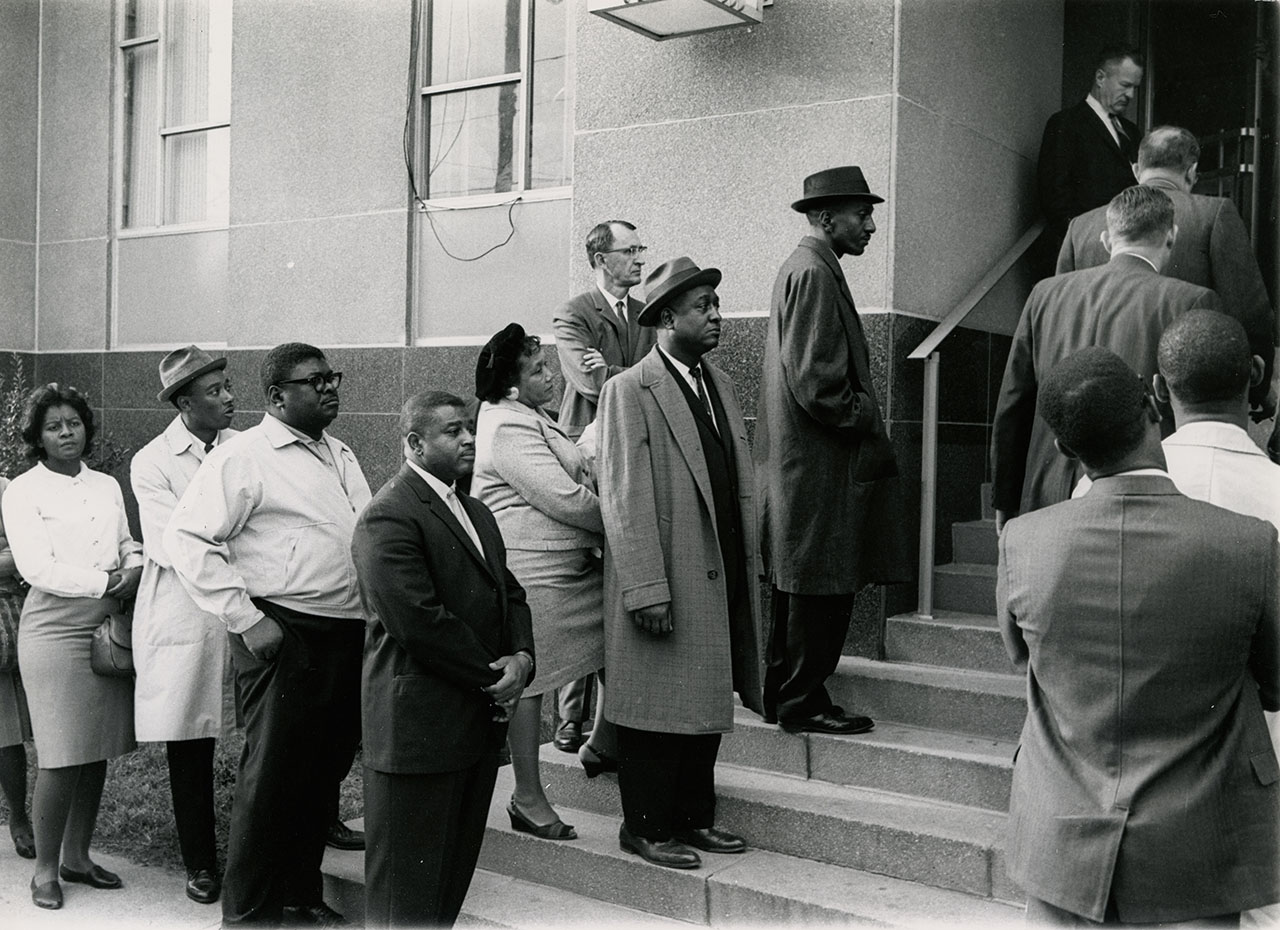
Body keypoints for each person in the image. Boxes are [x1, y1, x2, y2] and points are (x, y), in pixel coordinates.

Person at [998, 347, 1279, 925]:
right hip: (1198, 851)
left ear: (1064, 449)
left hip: (1061, 849)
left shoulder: (1024, 542)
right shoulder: (1249, 544)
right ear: (1155, 405)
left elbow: (1021, 655)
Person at [165, 343, 371, 927]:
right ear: (277, 396)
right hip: (283, 631)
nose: (330, 388)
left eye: (332, 377)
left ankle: (299, 897)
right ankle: (249, 913)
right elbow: (189, 539)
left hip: (344, 630)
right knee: (273, 777)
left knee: (319, 776)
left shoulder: (339, 452)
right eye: (314, 381)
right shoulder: (246, 456)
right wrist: (246, 618)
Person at [597, 256, 764, 870]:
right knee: (652, 710)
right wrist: (645, 588)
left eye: (715, 306)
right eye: (703, 308)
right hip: (666, 576)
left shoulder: (717, 381)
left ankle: (695, 819)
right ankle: (643, 827)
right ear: (667, 319)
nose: (717, 316)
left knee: (704, 697)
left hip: (718, 568)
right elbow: (622, 497)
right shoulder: (627, 390)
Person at [352, 390, 535, 928]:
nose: (469, 439)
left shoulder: (475, 509)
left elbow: (512, 593)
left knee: (447, 887)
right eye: (453, 431)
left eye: (469, 428)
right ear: (415, 443)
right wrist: (495, 678)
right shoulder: (387, 516)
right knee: (403, 899)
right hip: (418, 733)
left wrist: (522, 658)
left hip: (471, 728)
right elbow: (418, 622)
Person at [754, 166, 910, 735]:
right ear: (826, 218)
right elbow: (818, 385)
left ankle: (785, 697)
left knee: (802, 585)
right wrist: (866, 414)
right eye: (861, 215)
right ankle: (803, 704)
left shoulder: (805, 267)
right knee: (820, 585)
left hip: (804, 468)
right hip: (819, 468)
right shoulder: (815, 273)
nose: (870, 226)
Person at [991, 185, 1220, 528]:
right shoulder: (1190, 301)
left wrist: (1005, 498)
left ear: (1106, 240)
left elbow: (1014, 401)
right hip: (1138, 500)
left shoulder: (1043, 295)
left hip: (1045, 494)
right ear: (1171, 236)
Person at [2, 383, 143, 910]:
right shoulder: (23, 490)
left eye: (74, 422)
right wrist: (108, 582)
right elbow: (36, 567)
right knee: (61, 755)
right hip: (54, 627)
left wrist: (132, 567)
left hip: (106, 625)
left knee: (96, 747)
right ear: (38, 437)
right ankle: (43, 871)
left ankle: (77, 857)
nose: (67, 432)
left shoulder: (106, 484)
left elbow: (127, 541)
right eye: (54, 426)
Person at [471, 324, 613, 838]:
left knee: (619, 645)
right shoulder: (507, 426)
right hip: (537, 572)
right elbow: (564, 498)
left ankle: (603, 742)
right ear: (510, 387)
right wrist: (626, 524)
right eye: (538, 370)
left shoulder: (528, 415)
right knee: (533, 680)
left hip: (570, 567)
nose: (551, 374)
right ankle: (527, 798)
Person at [1056, 125, 1276, 417]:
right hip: (1174, 412)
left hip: (1089, 415)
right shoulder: (1214, 214)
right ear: (1192, 171)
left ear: (1137, 170)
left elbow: (1060, 322)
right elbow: (1248, 313)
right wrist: (1258, 389)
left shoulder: (1080, 227)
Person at [129, 346, 238, 905]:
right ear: (184, 401)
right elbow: (176, 542)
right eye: (215, 389)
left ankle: (289, 835)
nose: (228, 396)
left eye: (226, 384)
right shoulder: (153, 462)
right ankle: (200, 861)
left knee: (268, 729)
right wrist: (231, 544)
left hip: (245, 601)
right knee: (191, 738)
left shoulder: (244, 449)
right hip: (185, 608)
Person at [552, 219, 656, 753]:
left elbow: (650, 381)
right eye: (630, 249)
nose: (640, 258)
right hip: (587, 455)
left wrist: (613, 366)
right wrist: (630, 372)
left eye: (642, 248)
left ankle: (611, 715)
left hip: (634, 452)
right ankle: (569, 718)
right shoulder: (574, 313)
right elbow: (588, 382)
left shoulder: (645, 313)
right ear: (600, 257)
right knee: (583, 579)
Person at [1037, 45, 1143, 242]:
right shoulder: (1065, 124)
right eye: (1125, 85)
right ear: (1100, 78)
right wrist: (1083, 243)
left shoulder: (1132, 132)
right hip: (1087, 246)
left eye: (1135, 88)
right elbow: (1055, 199)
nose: (1131, 95)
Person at [0, 475, 34, 862]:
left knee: (6, 731)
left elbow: (20, 553)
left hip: (6, 620)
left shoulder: (6, 490)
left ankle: (19, 817)